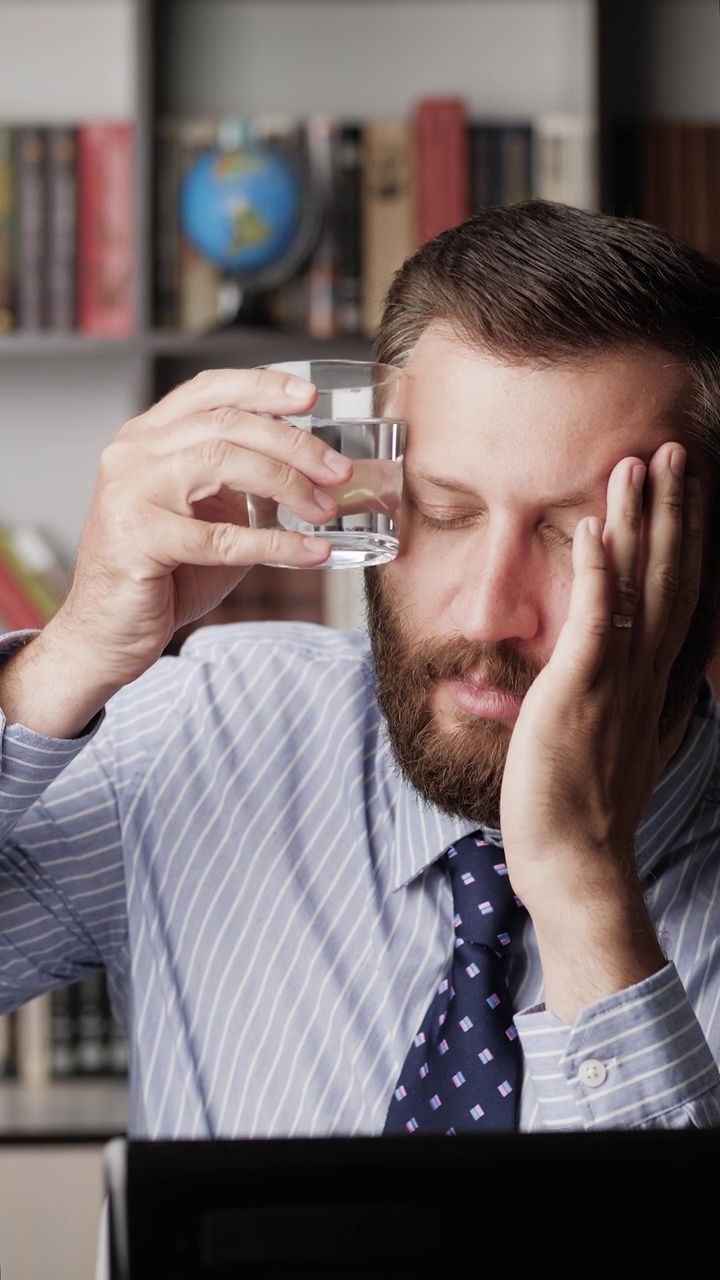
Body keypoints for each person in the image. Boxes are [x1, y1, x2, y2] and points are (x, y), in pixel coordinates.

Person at [1, 199, 720, 1138]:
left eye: (572, 534)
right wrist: (64, 661)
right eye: (445, 511)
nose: (486, 613)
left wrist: (586, 885)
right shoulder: (212, 731)